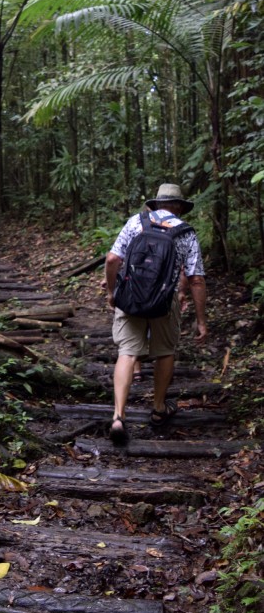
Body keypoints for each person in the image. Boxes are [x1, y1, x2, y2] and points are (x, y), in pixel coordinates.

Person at [104, 182, 208, 445]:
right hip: (165, 301)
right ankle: (159, 409)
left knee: (127, 352)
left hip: (131, 297)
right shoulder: (186, 232)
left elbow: (112, 260)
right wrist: (200, 320)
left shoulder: (135, 222)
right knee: (164, 351)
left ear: (157, 204)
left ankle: (118, 416)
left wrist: (113, 293)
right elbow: (196, 279)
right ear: (179, 207)